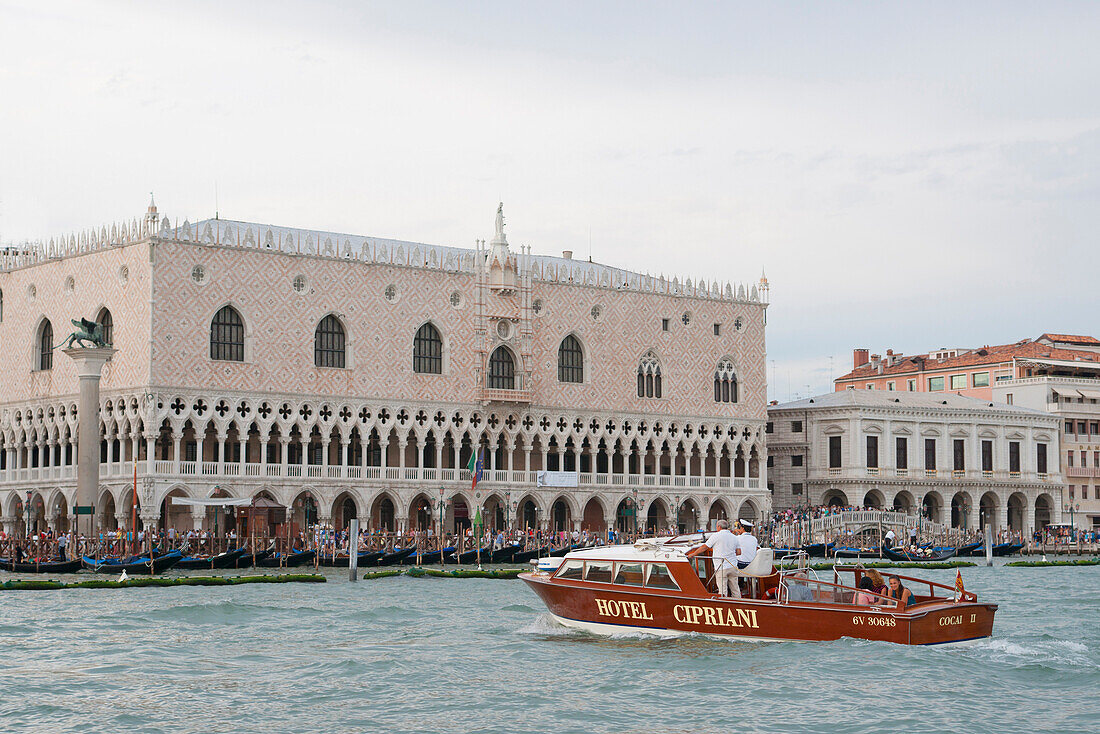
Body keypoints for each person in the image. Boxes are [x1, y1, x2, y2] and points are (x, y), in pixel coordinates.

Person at [687, 519, 741, 597]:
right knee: (735, 588)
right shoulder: (734, 537)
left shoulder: (716, 536)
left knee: (722, 590)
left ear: (719, 527)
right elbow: (739, 552)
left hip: (721, 566)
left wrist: (693, 554)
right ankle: (738, 604)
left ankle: (723, 606)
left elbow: (704, 547)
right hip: (733, 565)